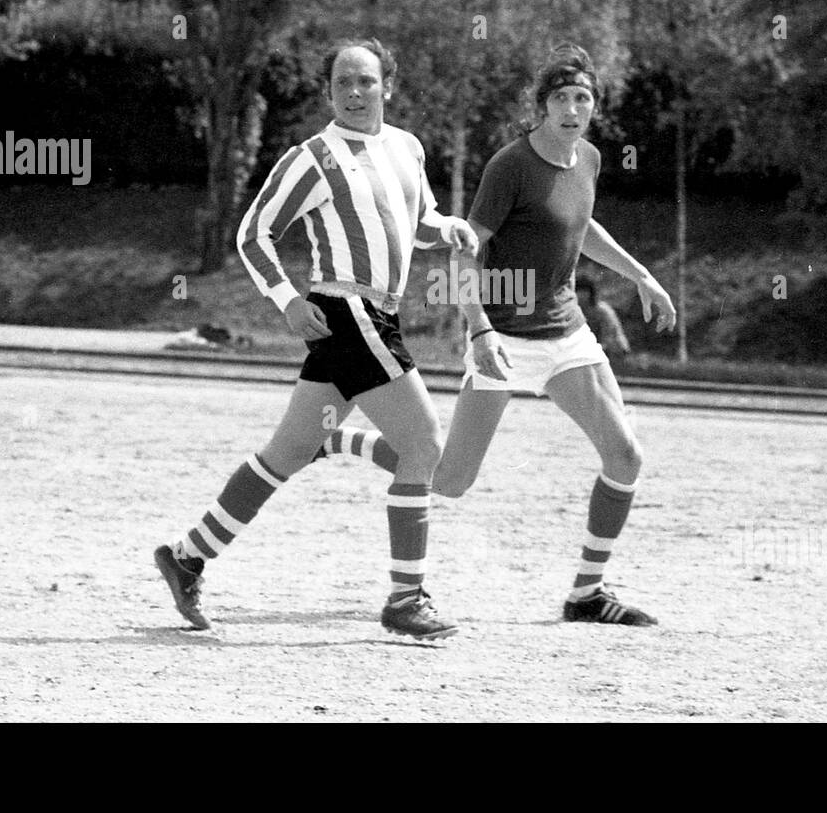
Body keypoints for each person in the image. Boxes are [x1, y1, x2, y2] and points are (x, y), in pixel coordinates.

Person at [316, 43, 677, 626]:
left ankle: (587, 593)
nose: (571, 108)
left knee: (626, 455)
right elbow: (465, 249)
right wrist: (478, 327)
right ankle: (339, 440)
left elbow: (581, 228)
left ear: (593, 109)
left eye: (582, 98)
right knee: (451, 480)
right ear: (540, 106)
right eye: (560, 97)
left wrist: (641, 275)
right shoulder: (511, 165)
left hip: (568, 336)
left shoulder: (587, 160)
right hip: (504, 339)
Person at [154, 38, 478, 640]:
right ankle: (406, 597)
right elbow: (255, 234)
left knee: (287, 454)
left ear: (388, 84)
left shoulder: (407, 147)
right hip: (348, 311)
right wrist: (288, 301)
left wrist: (449, 227)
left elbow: (420, 221)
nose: (354, 92)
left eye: (365, 81)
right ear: (328, 91)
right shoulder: (313, 158)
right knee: (423, 444)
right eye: (342, 83)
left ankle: (187, 555)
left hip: (374, 315)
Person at [576, 277, 631, 369]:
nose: (581, 296)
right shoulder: (575, 311)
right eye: (578, 292)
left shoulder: (602, 311)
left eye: (584, 292)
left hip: (613, 349)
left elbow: (609, 335)